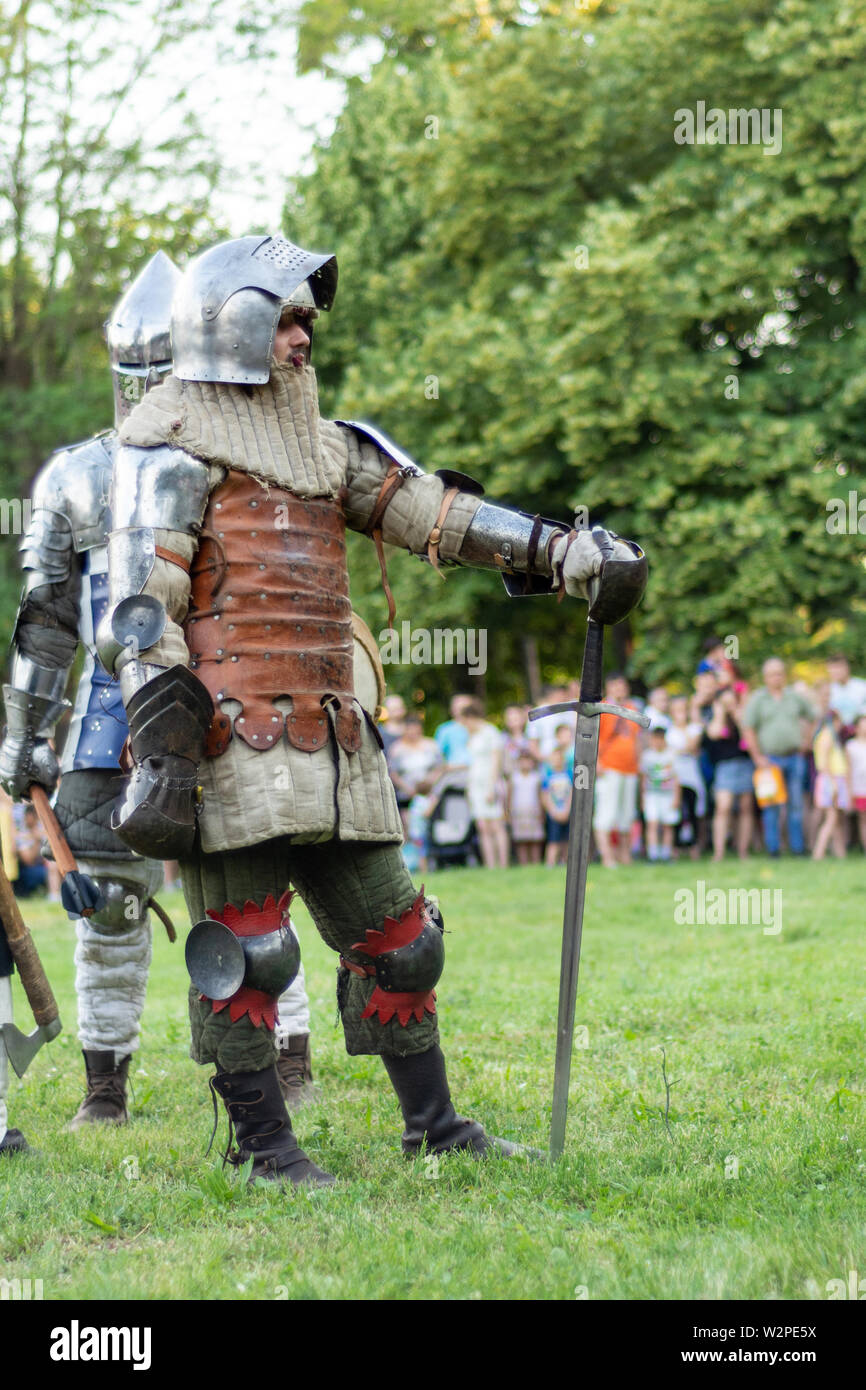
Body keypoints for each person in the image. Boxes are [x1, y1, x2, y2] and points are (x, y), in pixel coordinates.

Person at [101, 232, 647, 1184]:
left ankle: (434, 1126)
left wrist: (558, 552)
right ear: (231, 328)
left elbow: (429, 512)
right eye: (286, 319)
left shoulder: (327, 448)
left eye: (307, 320)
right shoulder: (169, 446)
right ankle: (265, 1150)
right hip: (227, 739)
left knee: (401, 940)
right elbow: (144, 613)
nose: (304, 337)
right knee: (249, 950)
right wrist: (167, 754)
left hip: (333, 735)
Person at [0, 253, 318, 1121]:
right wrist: (23, 739)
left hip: (233, 707)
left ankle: (288, 1060)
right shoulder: (74, 475)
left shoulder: (245, 459)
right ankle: (106, 1087)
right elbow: (48, 624)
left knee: (256, 906)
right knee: (107, 909)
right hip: (110, 724)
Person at [742, 658, 814, 855]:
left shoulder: (794, 697)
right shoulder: (758, 699)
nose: (777, 677)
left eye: (780, 673)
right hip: (769, 760)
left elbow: (813, 716)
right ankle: (773, 848)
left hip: (794, 757)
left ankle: (797, 848)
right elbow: (748, 728)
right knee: (771, 806)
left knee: (796, 804)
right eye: (772, 674)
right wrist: (757, 756)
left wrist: (807, 741)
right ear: (766, 677)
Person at [593, 674, 641, 868]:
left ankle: (624, 856)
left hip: (630, 768)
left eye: (623, 685)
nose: (620, 689)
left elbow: (636, 738)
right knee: (606, 814)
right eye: (616, 686)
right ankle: (607, 857)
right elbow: (593, 736)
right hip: (609, 766)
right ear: (609, 688)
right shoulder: (602, 709)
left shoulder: (633, 708)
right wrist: (596, 762)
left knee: (626, 815)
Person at [702, 687, 754, 861]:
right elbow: (714, 734)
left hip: (745, 764)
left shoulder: (743, 717)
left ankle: (743, 851)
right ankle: (719, 853)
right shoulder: (715, 718)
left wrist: (739, 718)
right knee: (723, 808)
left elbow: (749, 741)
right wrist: (720, 713)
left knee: (746, 808)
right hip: (725, 766)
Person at [460, 699, 508, 869]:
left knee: (496, 825)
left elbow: (496, 761)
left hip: (489, 782)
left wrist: (491, 787)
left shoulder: (490, 732)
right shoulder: (472, 736)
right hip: (475, 784)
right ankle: (490, 865)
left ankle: (503, 864)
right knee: (482, 826)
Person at [666, 694, 706, 856]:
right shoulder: (668, 730)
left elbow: (691, 746)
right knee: (676, 811)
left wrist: (683, 729)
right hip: (675, 774)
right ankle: (675, 847)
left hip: (691, 775)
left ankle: (695, 847)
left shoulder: (693, 728)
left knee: (693, 809)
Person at [811, 698, 849, 860]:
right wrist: (833, 784)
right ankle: (818, 853)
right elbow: (825, 763)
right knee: (831, 819)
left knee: (836, 820)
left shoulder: (827, 736)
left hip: (833, 779)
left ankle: (840, 853)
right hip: (831, 779)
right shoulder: (827, 736)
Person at [640, 726, 680, 861]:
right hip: (652, 794)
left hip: (668, 795)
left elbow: (676, 778)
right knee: (652, 823)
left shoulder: (671, 755)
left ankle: (666, 854)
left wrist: (676, 797)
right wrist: (643, 797)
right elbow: (644, 778)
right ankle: (653, 854)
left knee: (668, 825)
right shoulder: (647, 756)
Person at [505, 749, 544, 864]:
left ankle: (536, 862)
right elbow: (509, 796)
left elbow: (540, 795)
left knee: (535, 840)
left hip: (533, 811)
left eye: (528, 761)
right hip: (518, 812)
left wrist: (542, 813)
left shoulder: (536, 777)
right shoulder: (514, 778)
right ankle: (523, 863)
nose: (525, 764)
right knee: (521, 840)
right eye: (522, 761)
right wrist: (508, 813)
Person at [541, 745, 572, 866]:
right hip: (553, 813)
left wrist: (567, 810)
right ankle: (550, 863)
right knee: (553, 840)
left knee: (567, 840)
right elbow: (545, 795)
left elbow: (571, 793)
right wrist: (552, 811)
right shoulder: (547, 775)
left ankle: (566, 862)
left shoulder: (569, 774)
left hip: (567, 811)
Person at [826, 654, 866, 737]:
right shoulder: (829, 690)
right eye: (832, 668)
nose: (835, 672)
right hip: (836, 734)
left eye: (838, 668)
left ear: (846, 668)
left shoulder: (861, 687)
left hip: (859, 734)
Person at [846, 714, 866, 853]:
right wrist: (849, 791)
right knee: (863, 819)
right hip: (859, 788)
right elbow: (848, 770)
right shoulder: (851, 746)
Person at [433, 695, 472, 766]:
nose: (461, 711)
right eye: (458, 708)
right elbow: (438, 754)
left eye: (464, 708)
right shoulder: (444, 729)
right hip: (454, 772)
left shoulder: (482, 728)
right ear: (452, 709)